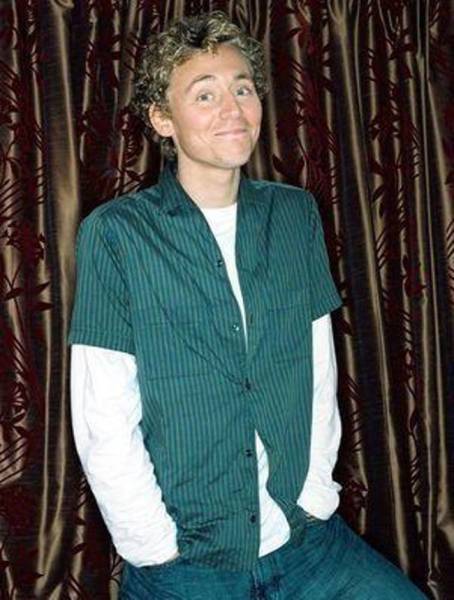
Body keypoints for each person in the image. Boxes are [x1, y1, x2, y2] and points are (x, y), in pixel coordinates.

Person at [68, 11, 427, 600]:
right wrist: (154, 546)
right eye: (204, 95)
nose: (232, 109)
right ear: (162, 119)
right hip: (189, 559)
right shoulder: (116, 235)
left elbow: (318, 366)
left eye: (242, 88)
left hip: (306, 541)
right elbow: (102, 412)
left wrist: (314, 492)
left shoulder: (294, 214)